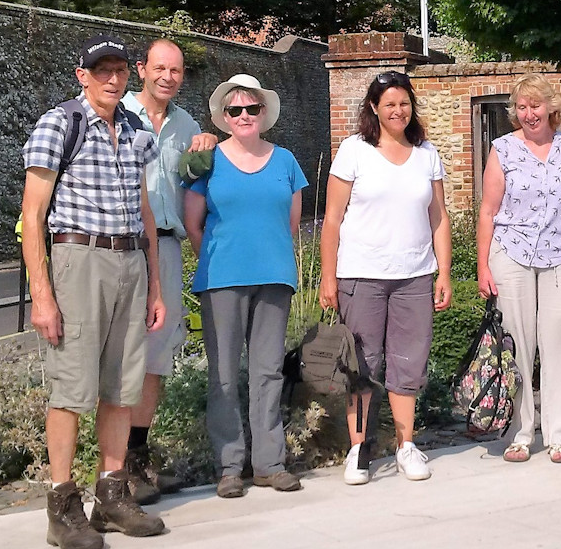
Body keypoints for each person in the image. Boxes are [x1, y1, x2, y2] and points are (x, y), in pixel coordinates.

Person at [21, 34, 168, 549]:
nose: (112, 78)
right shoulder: (60, 123)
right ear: (82, 75)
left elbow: (145, 211)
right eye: (101, 70)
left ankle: (112, 494)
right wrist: (42, 293)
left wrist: (154, 283)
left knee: (122, 385)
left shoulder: (135, 131)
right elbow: (33, 216)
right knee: (71, 387)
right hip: (78, 258)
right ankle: (62, 506)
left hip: (129, 258)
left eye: (120, 70)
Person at [319, 70, 452, 485]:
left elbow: (439, 217)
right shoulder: (354, 151)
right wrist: (328, 276)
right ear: (374, 108)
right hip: (361, 275)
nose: (398, 110)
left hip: (414, 275)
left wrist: (443, 270)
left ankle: (406, 445)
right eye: (389, 103)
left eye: (404, 103)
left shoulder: (426, 153)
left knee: (408, 363)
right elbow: (332, 220)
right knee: (363, 363)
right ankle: (358, 449)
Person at [184, 74, 307, 498]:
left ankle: (269, 463)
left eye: (251, 109)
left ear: (263, 113)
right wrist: (226, 258)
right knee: (222, 375)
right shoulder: (207, 161)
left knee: (268, 371)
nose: (243, 116)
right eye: (234, 110)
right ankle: (229, 466)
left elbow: (291, 223)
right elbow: (192, 223)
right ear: (223, 116)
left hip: (274, 277)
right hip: (221, 279)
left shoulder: (286, 161)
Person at [119, 39, 216, 504]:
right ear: (142, 69)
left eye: (176, 70)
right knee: (119, 354)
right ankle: (113, 468)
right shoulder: (113, 113)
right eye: (160, 68)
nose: (168, 77)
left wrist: (207, 146)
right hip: (121, 247)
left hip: (167, 247)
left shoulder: (186, 124)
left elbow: (193, 180)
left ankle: (137, 458)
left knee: (156, 356)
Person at [477, 73, 561, 465]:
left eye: (535, 106)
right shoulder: (502, 149)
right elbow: (488, 212)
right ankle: (519, 433)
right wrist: (482, 267)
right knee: (516, 346)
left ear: (551, 108)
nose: (528, 114)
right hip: (511, 254)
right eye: (521, 107)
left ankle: (560, 435)